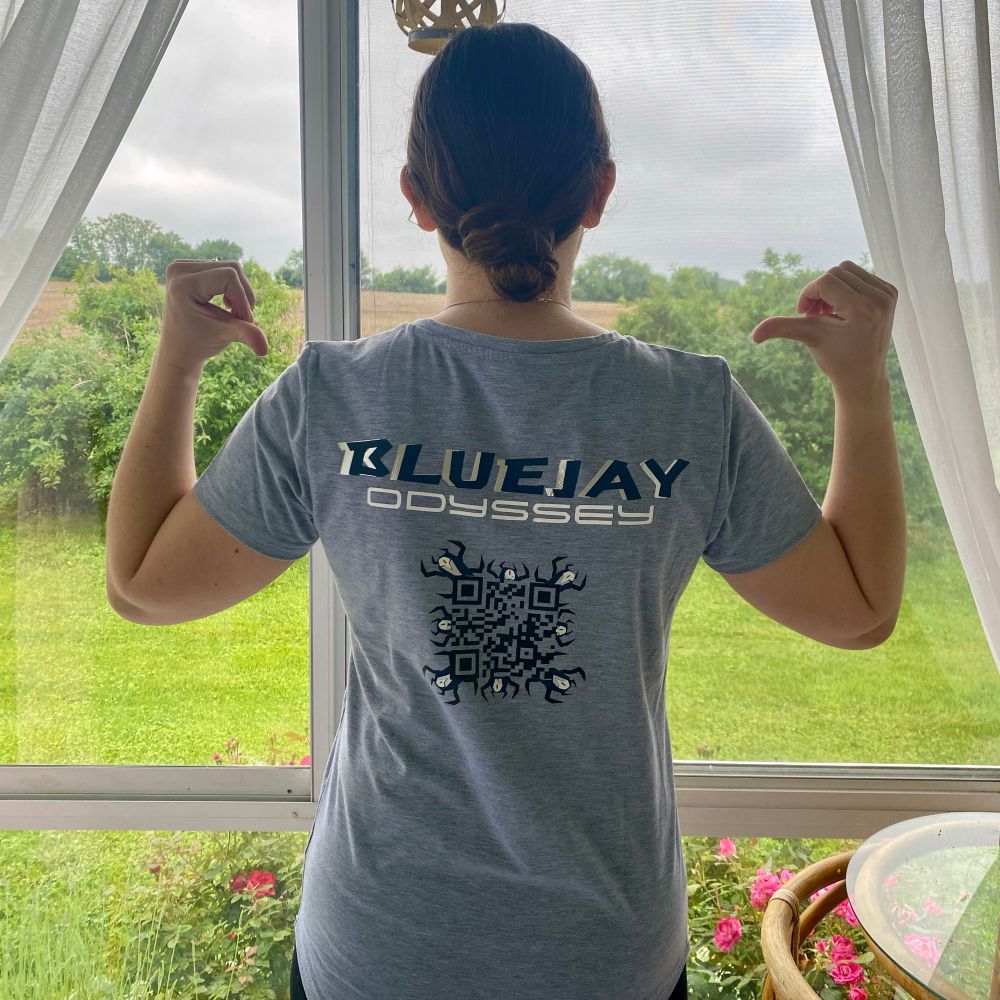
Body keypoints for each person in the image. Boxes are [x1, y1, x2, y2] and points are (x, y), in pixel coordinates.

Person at [140, 20, 903, 1000]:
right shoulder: (688, 407)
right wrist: (859, 384)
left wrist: (177, 362)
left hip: (382, 952)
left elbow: (142, 584)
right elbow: (859, 609)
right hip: (602, 957)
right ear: (600, 190)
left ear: (415, 196)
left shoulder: (333, 395)